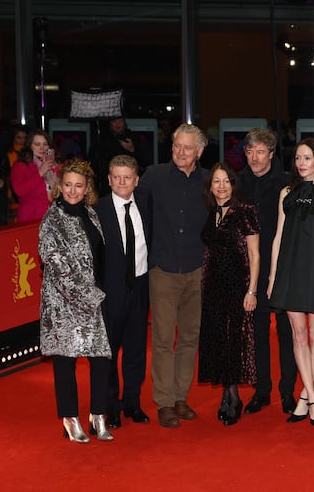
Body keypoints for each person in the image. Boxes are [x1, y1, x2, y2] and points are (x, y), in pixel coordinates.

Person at [269, 138, 314, 429]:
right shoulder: (285, 193)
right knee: (298, 335)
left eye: (308, 158)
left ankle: (304, 398)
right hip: (289, 270)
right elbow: (278, 237)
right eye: (298, 158)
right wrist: (273, 276)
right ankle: (312, 398)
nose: (301, 163)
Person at [138, 123, 208, 428]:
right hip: (163, 269)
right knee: (164, 339)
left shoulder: (209, 181)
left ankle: (181, 397)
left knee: (190, 338)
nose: (180, 152)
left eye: (187, 147)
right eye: (177, 145)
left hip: (197, 269)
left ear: (199, 151)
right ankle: (164, 402)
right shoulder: (153, 176)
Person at [39, 159, 113, 443]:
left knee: (100, 358)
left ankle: (98, 415)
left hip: (93, 298)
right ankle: (70, 418)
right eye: (68, 185)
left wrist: (100, 292)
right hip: (62, 303)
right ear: (60, 186)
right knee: (65, 361)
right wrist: (90, 297)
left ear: (87, 188)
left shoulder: (91, 214)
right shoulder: (52, 220)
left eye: (78, 185)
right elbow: (57, 266)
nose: (72, 190)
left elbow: (99, 256)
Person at [237, 128, 297, 415]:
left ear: (271, 154)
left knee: (287, 332)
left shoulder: (287, 183)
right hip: (251, 269)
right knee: (257, 332)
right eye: (250, 152)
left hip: (283, 267)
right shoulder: (238, 183)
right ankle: (262, 391)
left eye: (260, 152)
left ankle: (288, 392)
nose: (254, 158)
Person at [198, 162, 260, 426]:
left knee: (234, 340)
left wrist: (252, 290)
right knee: (218, 340)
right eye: (216, 181)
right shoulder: (211, 212)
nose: (221, 186)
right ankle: (226, 394)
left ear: (233, 185)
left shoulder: (245, 211)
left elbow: (254, 254)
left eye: (226, 181)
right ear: (210, 186)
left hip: (237, 285)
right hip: (213, 286)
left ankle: (234, 398)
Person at [94, 155, 152, 429]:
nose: (121, 182)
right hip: (110, 291)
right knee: (109, 351)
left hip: (140, 287)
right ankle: (111, 407)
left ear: (136, 180)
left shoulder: (146, 203)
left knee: (136, 350)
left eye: (126, 177)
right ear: (108, 179)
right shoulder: (98, 210)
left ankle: (132, 402)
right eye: (116, 177)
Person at [90, 116, 152, 197]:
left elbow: (146, 161)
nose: (117, 124)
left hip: (131, 185)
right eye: (114, 122)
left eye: (120, 121)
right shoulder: (101, 139)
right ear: (110, 123)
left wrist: (132, 149)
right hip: (107, 186)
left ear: (124, 122)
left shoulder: (133, 137)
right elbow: (93, 162)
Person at [10, 130, 58, 223]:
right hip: (31, 218)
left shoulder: (54, 165)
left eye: (45, 144)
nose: (42, 148)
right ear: (29, 146)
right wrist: (40, 172)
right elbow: (19, 191)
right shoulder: (20, 166)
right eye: (37, 144)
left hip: (52, 218)